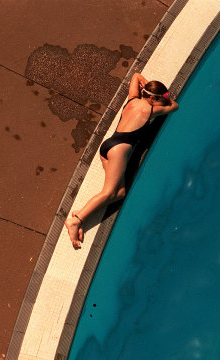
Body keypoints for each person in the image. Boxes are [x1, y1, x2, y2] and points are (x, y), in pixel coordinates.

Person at [65, 73, 178, 248]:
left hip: (108, 146)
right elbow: (175, 106)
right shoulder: (152, 110)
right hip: (119, 151)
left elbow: (136, 76)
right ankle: (76, 221)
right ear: (153, 98)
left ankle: (79, 215)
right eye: (162, 98)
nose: (165, 101)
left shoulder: (132, 100)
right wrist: (158, 97)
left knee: (120, 193)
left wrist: (146, 87)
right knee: (109, 192)